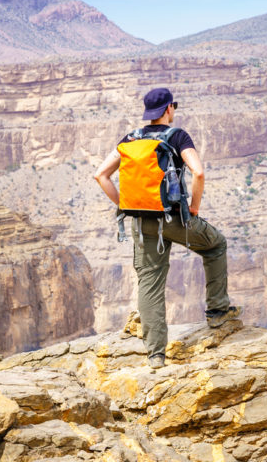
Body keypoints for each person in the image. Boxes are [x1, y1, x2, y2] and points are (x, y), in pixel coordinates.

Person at [94, 87, 240, 368]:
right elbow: (198, 172)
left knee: (150, 283)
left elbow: (100, 174)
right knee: (216, 245)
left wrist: (124, 205)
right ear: (168, 109)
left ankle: (155, 355)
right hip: (175, 219)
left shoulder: (131, 138)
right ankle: (218, 311)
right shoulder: (178, 136)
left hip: (140, 222)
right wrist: (194, 206)